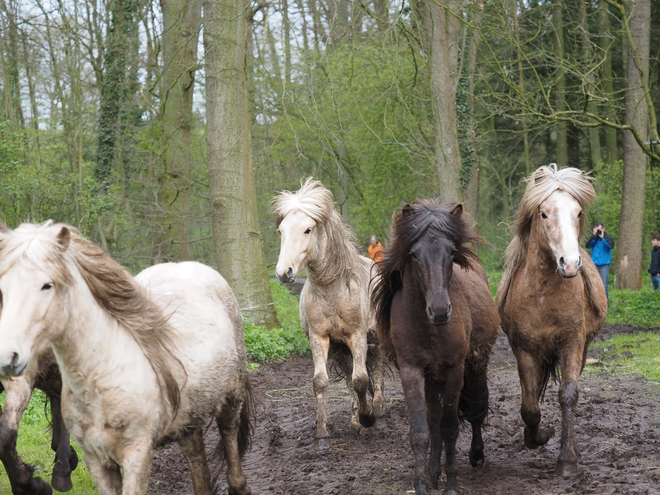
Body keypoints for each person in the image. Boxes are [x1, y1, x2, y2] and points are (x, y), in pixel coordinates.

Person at [586, 223, 614, 299]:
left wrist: (603, 238)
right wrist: (593, 236)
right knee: (593, 284)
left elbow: (611, 246)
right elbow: (588, 246)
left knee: (604, 286)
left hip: (604, 265)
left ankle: (605, 305)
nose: (598, 231)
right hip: (594, 265)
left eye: (599, 229)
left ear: (603, 229)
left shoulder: (608, 237)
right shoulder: (594, 239)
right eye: (597, 229)